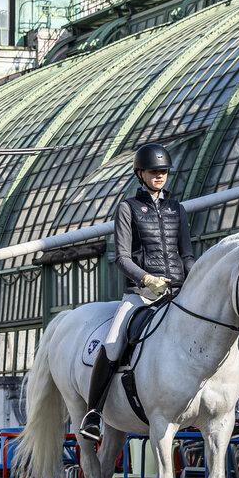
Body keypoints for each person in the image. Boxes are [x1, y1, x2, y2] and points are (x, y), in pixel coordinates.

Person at [78, 142, 196, 444]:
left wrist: (193, 276)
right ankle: (94, 412)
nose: (160, 176)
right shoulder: (128, 208)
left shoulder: (176, 209)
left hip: (177, 293)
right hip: (141, 293)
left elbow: (186, 254)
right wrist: (146, 278)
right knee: (114, 342)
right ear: (140, 173)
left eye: (163, 171)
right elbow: (122, 257)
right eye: (154, 171)